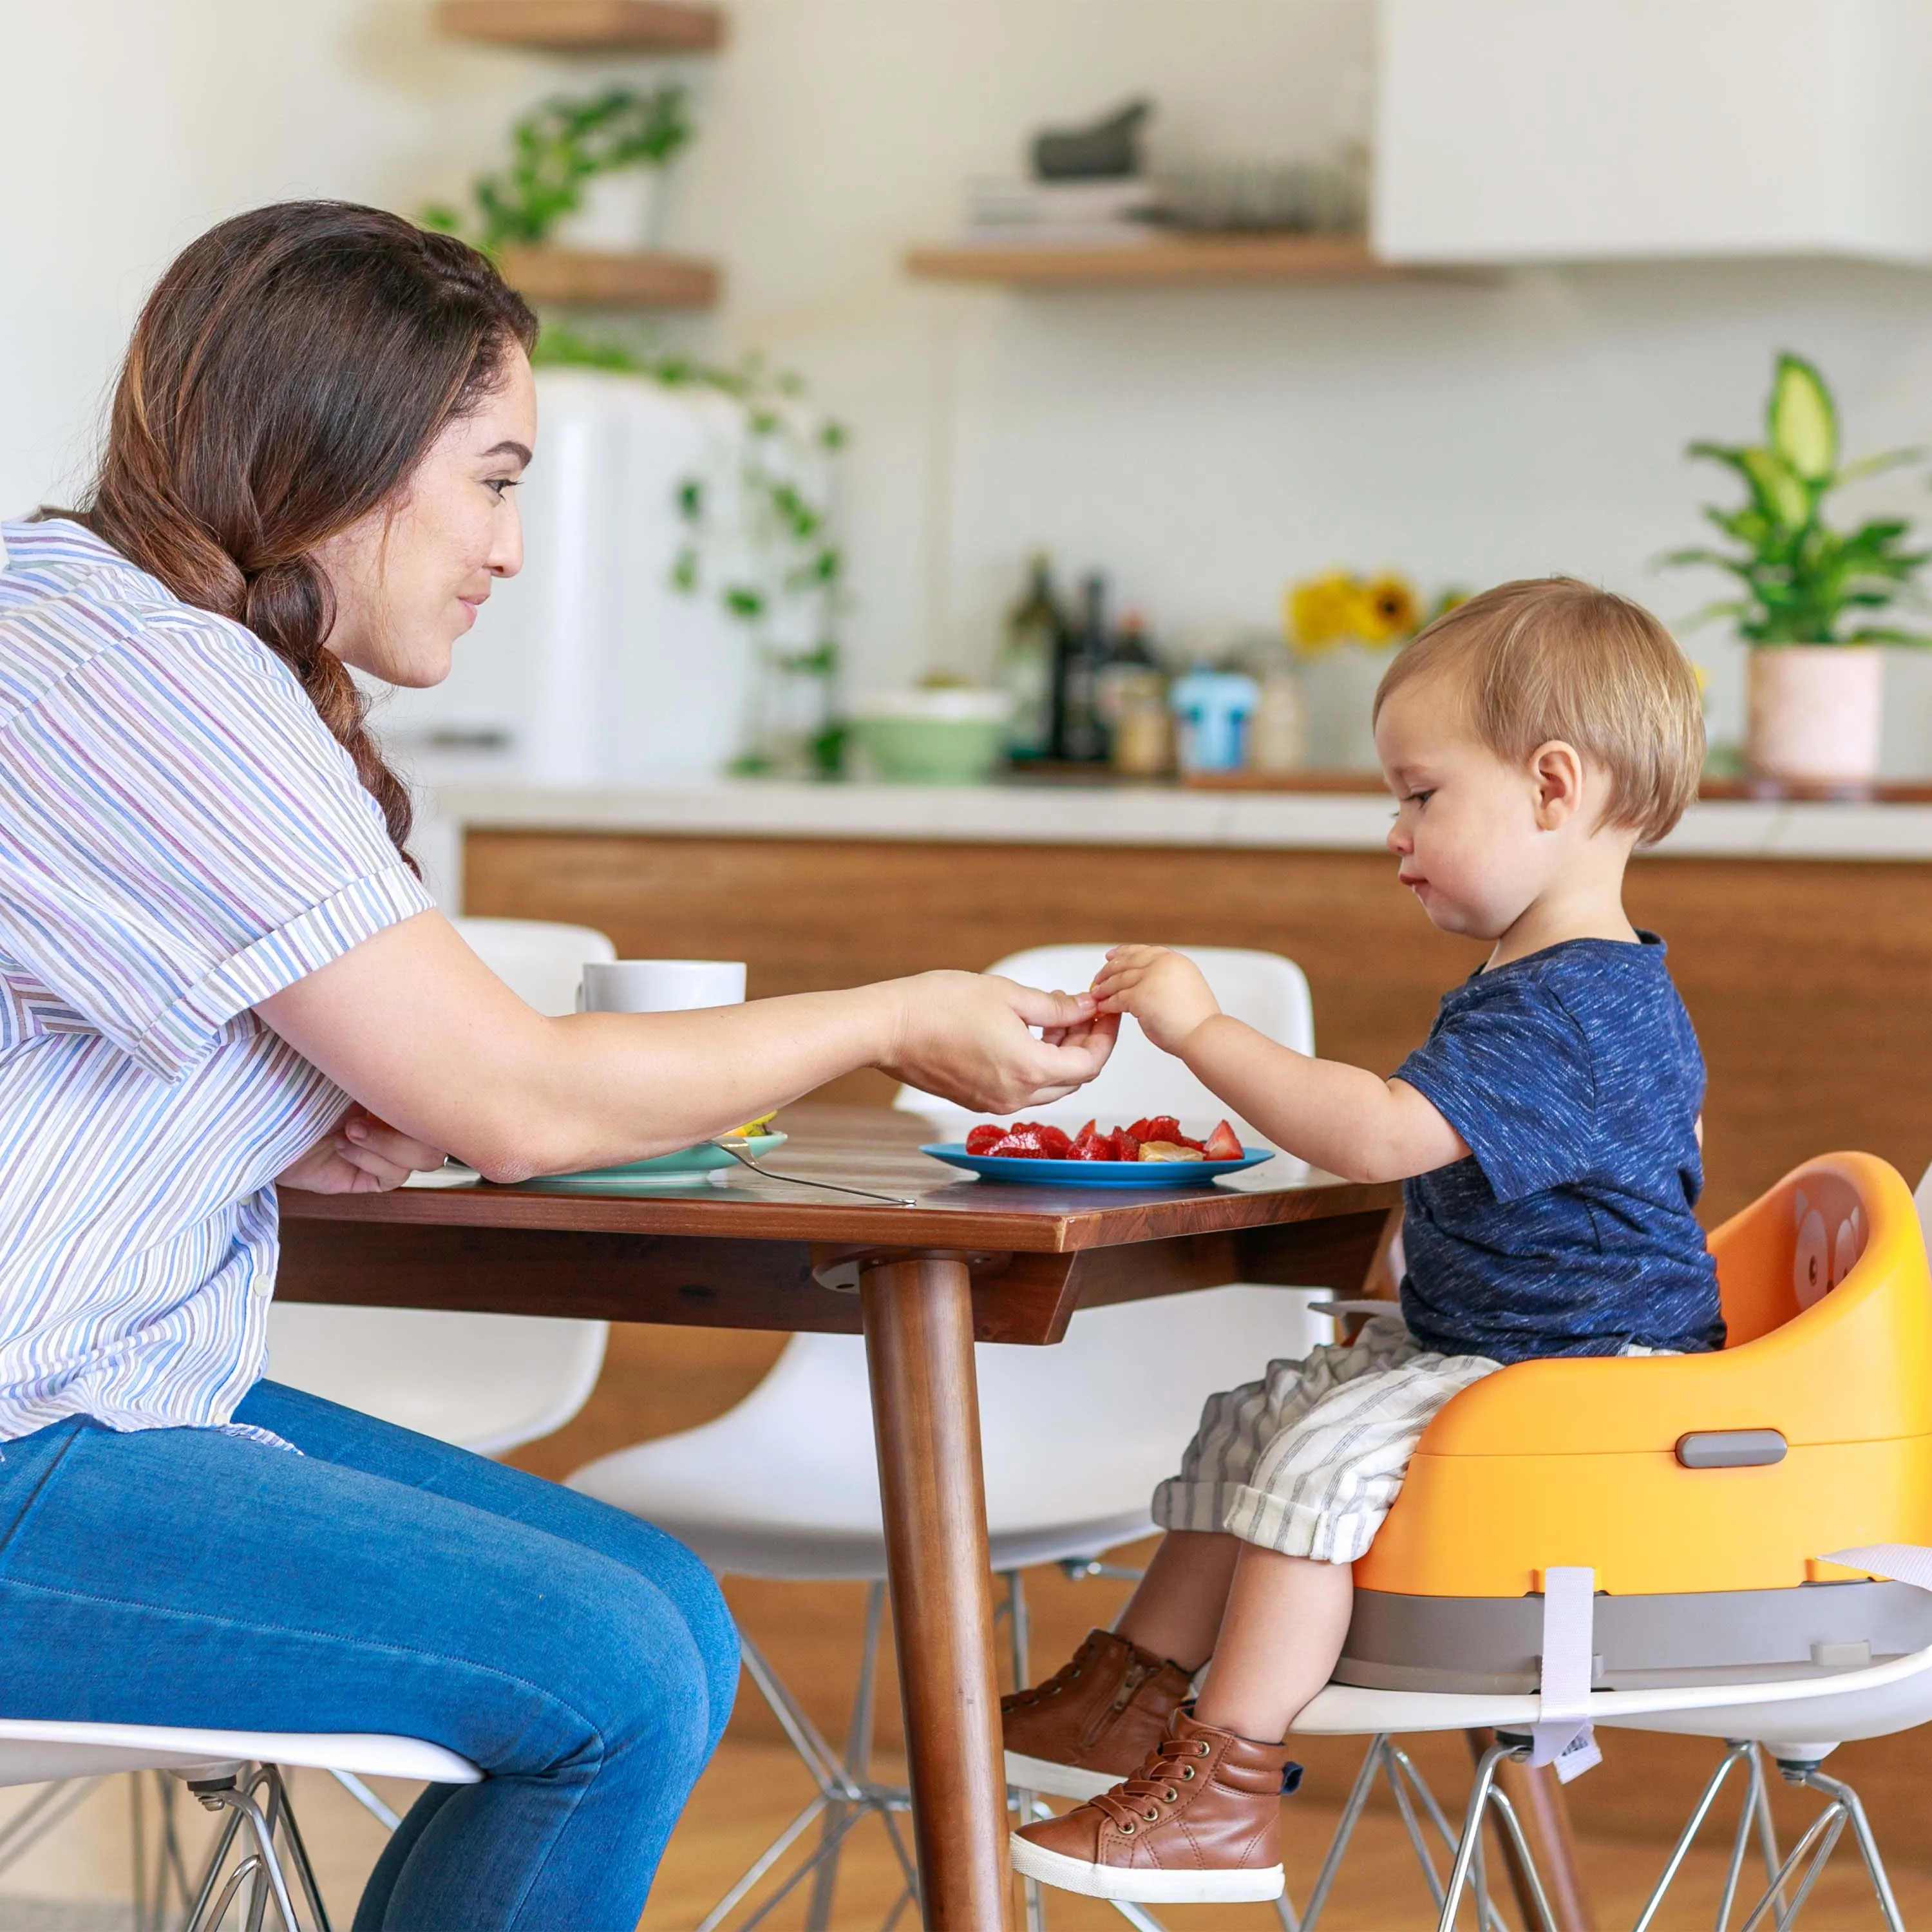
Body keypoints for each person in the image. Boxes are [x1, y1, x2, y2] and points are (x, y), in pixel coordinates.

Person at [0, 201, 1114, 1932]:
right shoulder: (150, 677)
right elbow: (516, 1098)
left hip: (99, 1387)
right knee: (614, 1672)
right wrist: (895, 1016)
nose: (510, 548)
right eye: (496, 475)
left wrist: (277, 1130)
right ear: (345, 445)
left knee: (665, 1612)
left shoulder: (89, 625)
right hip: (29, 1428)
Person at [1003, 578, 1721, 1907]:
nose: (1393, 833)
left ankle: (1227, 1790)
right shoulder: (1547, 982)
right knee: (1257, 1417)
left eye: (1421, 794)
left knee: (1309, 1465)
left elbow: (1384, 1134)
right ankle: (1128, 1699)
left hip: (1584, 1380)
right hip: (1501, 1348)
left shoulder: (1579, 1004)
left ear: (1554, 788)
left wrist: (1206, 1034)